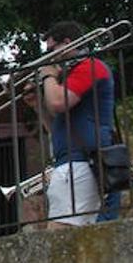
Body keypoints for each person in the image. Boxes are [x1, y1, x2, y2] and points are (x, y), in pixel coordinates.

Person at [28, 21, 116, 228]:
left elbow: (59, 102)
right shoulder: (70, 75)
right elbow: (57, 127)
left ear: (67, 43)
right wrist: (36, 104)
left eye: (51, 49)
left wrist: (48, 74)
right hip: (72, 162)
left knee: (59, 237)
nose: (48, 55)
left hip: (79, 163)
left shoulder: (89, 66)